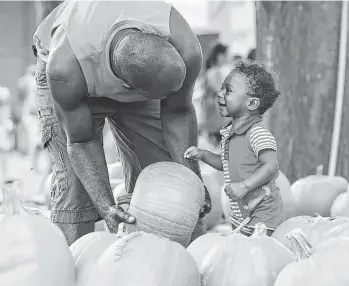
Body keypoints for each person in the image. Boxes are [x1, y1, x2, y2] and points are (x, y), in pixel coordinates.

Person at [32, 1, 210, 245]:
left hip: (136, 70)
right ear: (127, 88)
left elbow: (178, 111)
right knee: (76, 190)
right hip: (77, 69)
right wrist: (106, 206)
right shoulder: (64, 68)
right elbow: (81, 141)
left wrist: (193, 181)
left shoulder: (184, 48)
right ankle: (71, 271)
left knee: (166, 181)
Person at [184, 60, 284, 236]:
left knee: (258, 255)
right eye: (222, 88)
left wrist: (245, 186)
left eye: (228, 91)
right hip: (241, 212)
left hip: (263, 214)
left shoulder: (256, 133)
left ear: (252, 104)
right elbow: (227, 164)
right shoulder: (231, 134)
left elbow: (271, 165)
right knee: (240, 254)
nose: (220, 94)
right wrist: (204, 155)